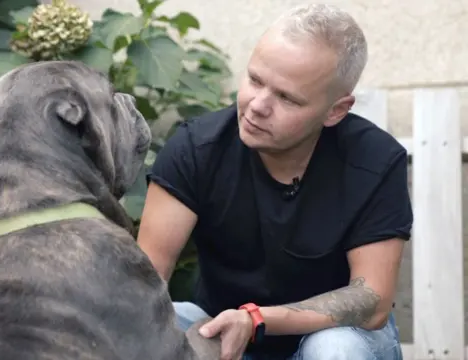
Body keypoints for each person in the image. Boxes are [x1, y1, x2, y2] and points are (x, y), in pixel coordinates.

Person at [136, 3, 412, 360]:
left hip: (336, 334)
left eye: (286, 97)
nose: (257, 106)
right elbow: (143, 283)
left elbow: (370, 300)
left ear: (336, 111)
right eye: (254, 80)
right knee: (169, 326)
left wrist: (257, 319)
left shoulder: (374, 161)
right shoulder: (196, 150)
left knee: (335, 349)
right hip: (223, 325)